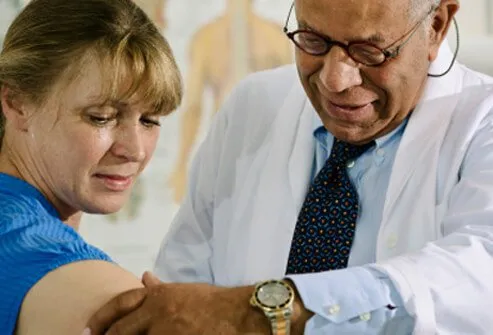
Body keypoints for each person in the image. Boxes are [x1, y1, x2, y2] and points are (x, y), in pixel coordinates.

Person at [87, 0, 493, 334]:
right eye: (313, 40)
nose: (335, 79)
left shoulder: (482, 124)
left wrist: (253, 312)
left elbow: (475, 277)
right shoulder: (252, 106)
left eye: (370, 51)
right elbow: (183, 291)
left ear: (436, 26)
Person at [0, 0, 182, 333]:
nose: (135, 150)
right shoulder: (33, 248)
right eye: (101, 117)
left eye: (150, 120)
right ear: (17, 103)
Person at [168, 0, 293, 203]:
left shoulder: (275, 37)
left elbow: (293, 104)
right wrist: (181, 165)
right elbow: (193, 108)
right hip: (225, 153)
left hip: (269, 152)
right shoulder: (206, 39)